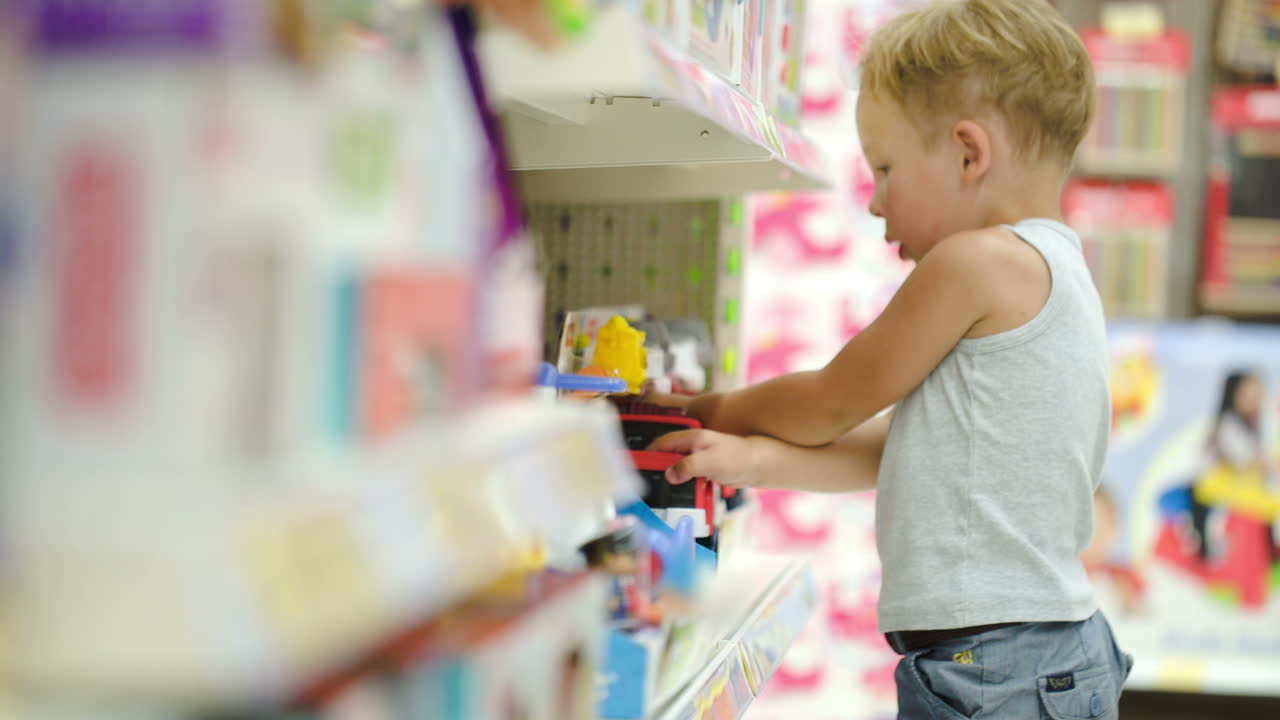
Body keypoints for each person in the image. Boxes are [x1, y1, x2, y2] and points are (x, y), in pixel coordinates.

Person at [644, 0, 1132, 716]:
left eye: (885, 167)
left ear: (969, 153)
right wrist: (751, 461)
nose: (874, 203)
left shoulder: (976, 264)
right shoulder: (1057, 271)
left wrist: (708, 406)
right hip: (1040, 659)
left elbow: (833, 401)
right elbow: (910, 451)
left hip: (994, 673)